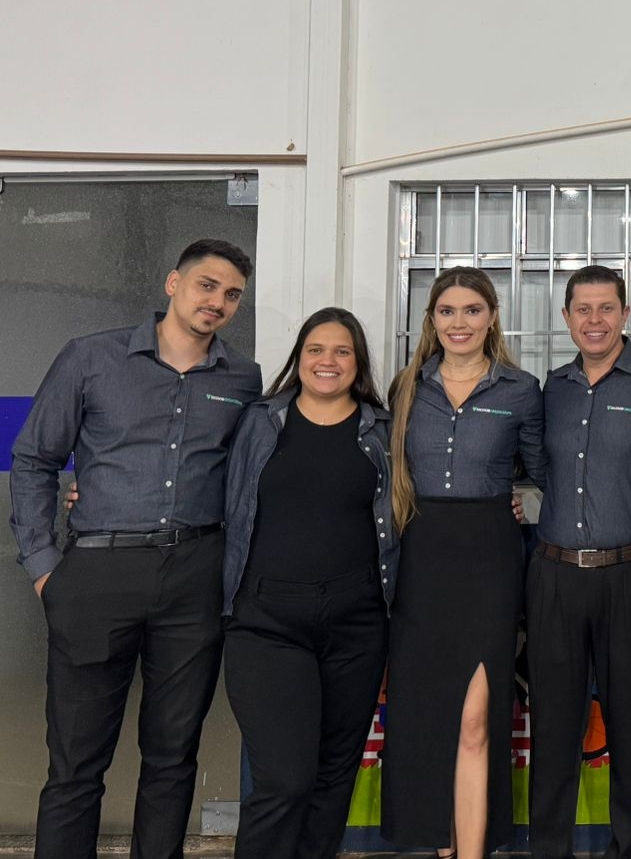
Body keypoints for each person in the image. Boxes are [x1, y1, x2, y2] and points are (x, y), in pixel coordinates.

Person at [9, 239, 263, 859]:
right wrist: (45, 568)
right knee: (75, 761)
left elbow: (246, 476)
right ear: (174, 283)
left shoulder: (243, 377)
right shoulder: (91, 358)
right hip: (97, 572)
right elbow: (34, 459)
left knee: (173, 755)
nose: (218, 302)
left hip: (195, 576)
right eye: (207, 286)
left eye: (232, 294)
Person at [380, 267, 543, 859]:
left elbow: (542, 477)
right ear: (432, 319)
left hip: (489, 560)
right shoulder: (406, 387)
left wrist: (522, 504)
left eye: (472, 310)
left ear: (492, 317)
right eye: (447, 311)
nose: (459, 323)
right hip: (420, 559)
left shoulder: (521, 389)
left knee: (476, 718)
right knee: (427, 716)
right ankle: (439, 843)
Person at [221, 307, 396, 859]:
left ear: (358, 362)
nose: (328, 361)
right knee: (284, 780)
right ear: (299, 358)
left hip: (357, 625)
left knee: (333, 776)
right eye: (316, 350)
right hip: (266, 622)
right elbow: (203, 482)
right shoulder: (258, 422)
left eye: (342, 351)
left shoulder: (383, 429)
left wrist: (510, 500)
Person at [526, 265, 631, 859]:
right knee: (554, 727)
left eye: (606, 308)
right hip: (555, 575)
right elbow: (535, 469)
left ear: (626, 314)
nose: (595, 320)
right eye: (583, 310)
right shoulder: (551, 388)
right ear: (566, 318)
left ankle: (629, 848)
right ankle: (549, 850)